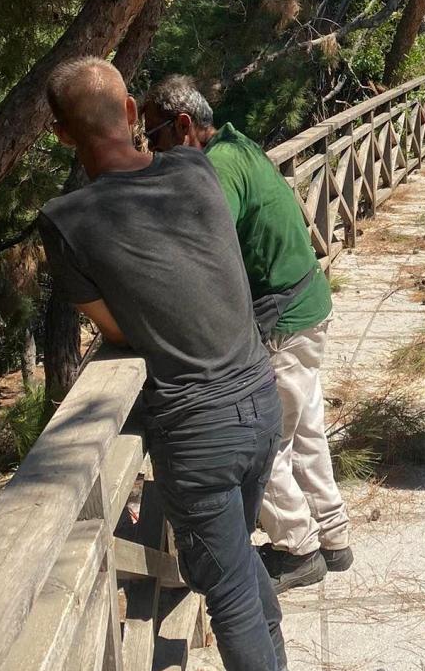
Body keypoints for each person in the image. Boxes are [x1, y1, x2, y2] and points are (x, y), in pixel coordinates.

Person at [38, 58, 313, 671]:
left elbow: (122, 328)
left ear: (60, 133)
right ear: (132, 108)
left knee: (224, 583)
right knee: (234, 564)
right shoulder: (196, 173)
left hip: (194, 426)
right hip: (257, 400)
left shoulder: (67, 222)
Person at [144, 75, 350, 595]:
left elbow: (204, 246)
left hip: (282, 321)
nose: (152, 149)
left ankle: (297, 549)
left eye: (155, 136)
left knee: (267, 443)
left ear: (184, 126)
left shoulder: (217, 167)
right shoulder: (238, 145)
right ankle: (332, 533)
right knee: (303, 429)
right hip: (307, 306)